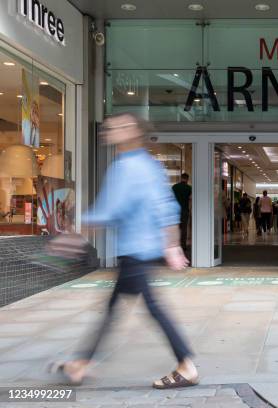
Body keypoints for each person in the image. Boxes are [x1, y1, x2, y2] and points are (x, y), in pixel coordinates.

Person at [47, 113, 198, 389]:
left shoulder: (127, 167)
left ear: (134, 132)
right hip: (140, 249)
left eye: (121, 126)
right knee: (114, 308)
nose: (112, 128)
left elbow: (111, 209)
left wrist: (76, 233)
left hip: (136, 250)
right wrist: (171, 244)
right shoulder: (148, 165)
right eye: (112, 125)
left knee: (151, 307)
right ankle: (81, 364)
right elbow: (167, 207)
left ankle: (186, 365)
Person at [172, 173, 191, 255]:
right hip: (184, 210)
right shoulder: (189, 188)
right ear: (187, 179)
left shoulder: (174, 187)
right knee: (184, 229)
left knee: (176, 228)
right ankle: (183, 246)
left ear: (181, 178)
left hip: (175, 211)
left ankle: (175, 246)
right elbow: (190, 199)